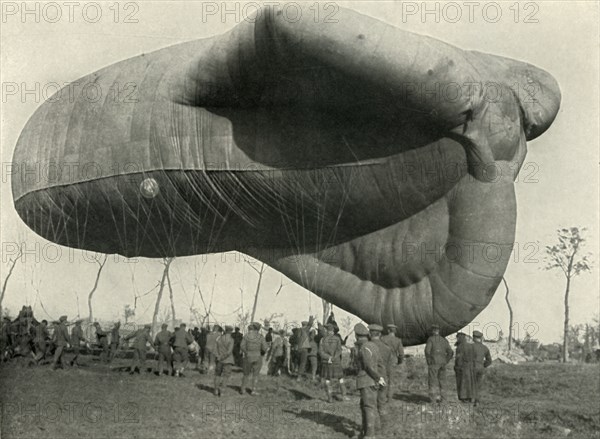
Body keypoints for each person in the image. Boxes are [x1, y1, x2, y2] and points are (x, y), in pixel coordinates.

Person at [354, 323, 385, 439]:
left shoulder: (364, 348)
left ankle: (369, 435)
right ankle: (372, 432)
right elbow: (380, 364)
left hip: (367, 380)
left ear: (357, 336)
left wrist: (378, 378)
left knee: (368, 407)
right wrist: (381, 378)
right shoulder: (373, 346)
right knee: (370, 406)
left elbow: (368, 366)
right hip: (373, 381)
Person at [424, 324, 454, 403]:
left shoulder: (431, 339)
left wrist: (429, 361)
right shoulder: (444, 340)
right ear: (438, 331)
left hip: (434, 363)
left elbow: (427, 351)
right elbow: (450, 352)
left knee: (432, 381)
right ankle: (444, 400)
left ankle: (433, 400)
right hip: (442, 364)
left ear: (433, 331)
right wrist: (446, 360)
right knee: (443, 382)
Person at [319, 323, 348, 402]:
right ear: (333, 331)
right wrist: (334, 358)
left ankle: (330, 398)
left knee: (327, 379)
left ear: (327, 331)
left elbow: (321, 352)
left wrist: (329, 358)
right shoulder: (337, 339)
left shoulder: (322, 340)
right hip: (336, 362)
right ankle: (344, 396)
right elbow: (339, 350)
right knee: (340, 378)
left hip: (326, 362)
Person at [240, 322, 268, 395]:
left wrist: (246, 352)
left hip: (248, 356)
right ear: (258, 329)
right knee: (256, 374)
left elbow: (242, 346)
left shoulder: (246, 336)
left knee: (246, 374)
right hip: (257, 356)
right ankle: (254, 390)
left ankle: (243, 389)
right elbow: (265, 348)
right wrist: (261, 353)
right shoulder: (261, 337)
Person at [381, 323, 404, 401]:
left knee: (382, 379)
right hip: (393, 361)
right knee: (391, 380)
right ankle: (389, 397)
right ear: (395, 331)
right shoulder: (398, 340)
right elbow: (401, 353)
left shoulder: (383, 338)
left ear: (388, 330)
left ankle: (382, 397)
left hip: (383, 361)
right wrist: (400, 361)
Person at [471, 330, 492, 406]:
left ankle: (471, 400)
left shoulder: (470, 347)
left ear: (474, 338)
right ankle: (477, 401)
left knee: (471, 384)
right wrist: (483, 366)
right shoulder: (485, 348)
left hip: (472, 368)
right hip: (481, 368)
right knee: (478, 385)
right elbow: (489, 360)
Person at [214, 325, 234, 396]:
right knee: (225, 376)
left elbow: (215, 349)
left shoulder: (219, 338)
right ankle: (222, 392)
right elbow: (229, 352)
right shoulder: (231, 340)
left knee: (217, 374)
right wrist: (222, 357)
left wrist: (218, 357)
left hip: (219, 360)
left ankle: (216, 390)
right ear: (231, 331)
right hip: (227, 360)